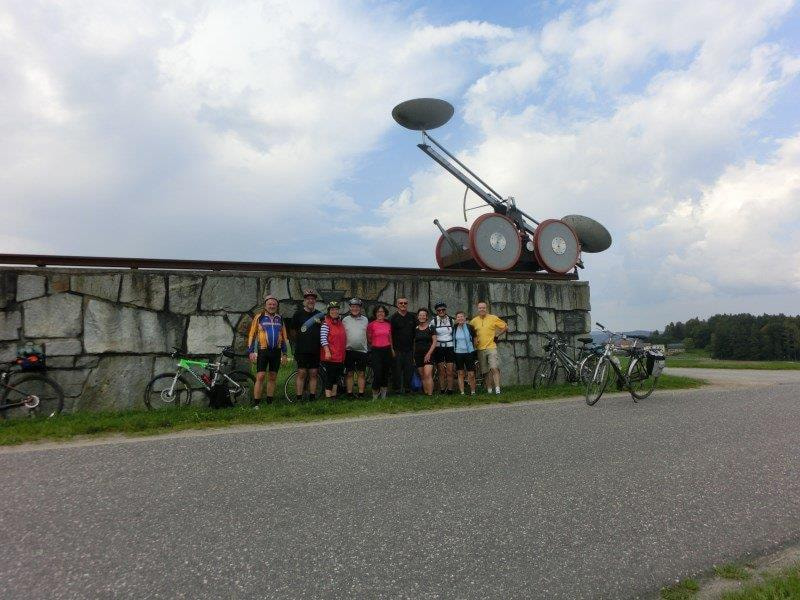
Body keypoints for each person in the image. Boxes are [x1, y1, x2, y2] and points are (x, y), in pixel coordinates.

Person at [247, 294, 288, 407]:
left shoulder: (280, 318)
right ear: (265, 306)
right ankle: (256, 404)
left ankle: (269, 402)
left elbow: (284, 336)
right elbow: (252, 334)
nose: (272, 306)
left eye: (274, 304)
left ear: (277, 306)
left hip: (276, 351)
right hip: (263, 350)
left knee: (273, 377)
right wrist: (251, 351)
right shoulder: (259, 317)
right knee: (260, 376)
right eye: (269, 304)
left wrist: (284, 353)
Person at [289, 289, 322, 402]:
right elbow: (292, 331)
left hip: (315, 349)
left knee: (314, 373)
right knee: (302, 373)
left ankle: (312, 397)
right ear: (305, 300)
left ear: (315, 301)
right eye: (308, 299)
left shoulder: (319, 315)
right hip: (302, 349)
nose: (310, 301)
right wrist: (300, 340)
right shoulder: (298, 314)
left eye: (313, 299)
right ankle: (299, 398)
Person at [470, 301, 508, 394]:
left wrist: (497, 334)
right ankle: (489, 389)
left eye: (483, 307)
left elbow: (505, 327)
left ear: (486, 308)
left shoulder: (493, 318)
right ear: (477, 309)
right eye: (480, 308)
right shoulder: (473, 321)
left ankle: (497, 389)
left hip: (491, 347)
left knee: (494, 367)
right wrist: (474, 341)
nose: (482, 309)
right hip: (480, 349)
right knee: (485, 371)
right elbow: (470, 333)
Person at [342, 298, 369, 399]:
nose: (355, 309)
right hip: (349, 350)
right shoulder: (345, 320)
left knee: (361, 373)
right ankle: (349, 393)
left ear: (360, 308)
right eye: (353, 307)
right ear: (350, 308)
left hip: (362, 350)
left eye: (357, 307)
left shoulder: (365, 320)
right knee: (349, 373)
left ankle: (361, 393)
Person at [320, 301, 346, 398]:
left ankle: (333, 397)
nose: (334, 311)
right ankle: (328, 398)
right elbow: (323, 339)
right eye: (332, 309)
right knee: (330, 377)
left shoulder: (340, 323)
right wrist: (327, 351)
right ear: (329, 311)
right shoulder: (326, 323)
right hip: (330, 356)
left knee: (336, 377)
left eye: (336, 309)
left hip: (339, 355)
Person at [390, 296, 416, 394]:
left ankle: (407, 389)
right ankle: (397, 389)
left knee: (409, 370)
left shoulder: (412, 317)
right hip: (397, 349)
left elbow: (415, 334)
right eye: (401, 303)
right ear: (397, 305)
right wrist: (392, 349)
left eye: (405, 303)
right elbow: (389, 335)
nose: (403, 305)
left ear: (407, 304)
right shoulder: (393, 318)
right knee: (396, 370)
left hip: (409, 349)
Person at [367, 305, 393, 399]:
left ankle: (383, 395)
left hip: (387, 350)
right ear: (375, 313)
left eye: (382, 311)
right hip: (376, 350)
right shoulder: (371, 325)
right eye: (378, 311)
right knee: (377, 373)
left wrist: (392, 349)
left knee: (385, 373)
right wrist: (375, 344)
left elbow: (390, 338)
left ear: (385, 313)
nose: (380, 313)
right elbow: (369, 339)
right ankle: (375, 394)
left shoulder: (388, 324)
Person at [430, 300, 456, 394]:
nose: (441, 311)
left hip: (450, 347)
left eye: (443, 310)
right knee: (441, 370)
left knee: (450, 370)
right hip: (438, 347)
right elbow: (430, 334)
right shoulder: (434, 321)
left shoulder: (451, 320)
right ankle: (442, 389)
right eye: (439, 310)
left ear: (445, 310)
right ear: (436, 311)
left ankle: (450, 389)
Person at [453, 311, 478, 395]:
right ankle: (462, 392)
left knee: (471, 373)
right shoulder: (454, 328)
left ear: (465, 318)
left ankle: (473, 391)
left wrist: (474, 348)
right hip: (458, 353)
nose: (460, 318)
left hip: (469, 352)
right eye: (458, 317)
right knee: (460, 373)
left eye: (462, 316)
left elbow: (475, 339)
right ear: (456, 319)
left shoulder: (470, 327)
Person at [413, 308, 437, 396]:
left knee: (427, 374)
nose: (422, 317)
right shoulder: (415, 329)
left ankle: (430, 395)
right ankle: (426, 393)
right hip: (418, 355)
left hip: (428, 354)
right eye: (420, 315)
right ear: (418, 317)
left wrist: (429, 354)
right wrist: (413, 355)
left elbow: (434, 342)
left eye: (424, 315)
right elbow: (414, 343)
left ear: (427, 317)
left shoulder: (431, 327)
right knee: (422, 375)